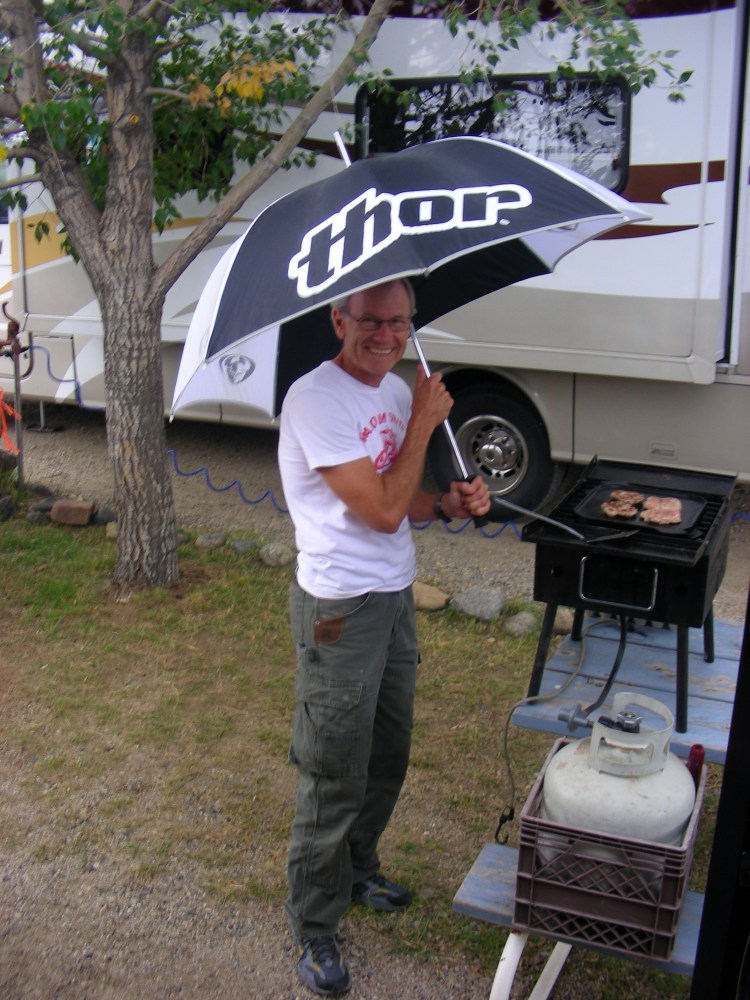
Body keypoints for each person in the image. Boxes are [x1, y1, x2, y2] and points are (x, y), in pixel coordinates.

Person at [278, 278, 490, 997]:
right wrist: (425, 419)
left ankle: (358, 869)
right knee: (335, 769)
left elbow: (405, 502)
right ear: (339, 320)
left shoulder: (397, 393)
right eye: (370, 321)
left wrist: (449, 504)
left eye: (399, 322)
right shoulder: (315, 400)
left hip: (394, 596)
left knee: (387, 753)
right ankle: (315, 922)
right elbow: (378, 510)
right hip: (339, 609)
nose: (386, 336)